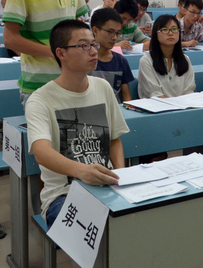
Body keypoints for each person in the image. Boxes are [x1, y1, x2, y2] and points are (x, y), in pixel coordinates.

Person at [25, 19, 129, 228]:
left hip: (107, 183)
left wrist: (121, 176)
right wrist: (81, 171)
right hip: (63, 194)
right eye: (83, 46)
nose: (93, 51)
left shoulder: (102, 87)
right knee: (101, 227)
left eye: (93, 44)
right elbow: (41, 151)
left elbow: (114, 140)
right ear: (61, 53)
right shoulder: (40, 100)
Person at [138, 14, 196, 99]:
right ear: (155, 34)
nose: (170, 33)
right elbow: (155, 95)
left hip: (183, 105)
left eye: (174, 29)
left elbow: (189, 92)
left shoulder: (185, 59)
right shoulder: (146, 61)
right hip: (157, 105)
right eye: (165, 30)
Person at [89, 8, 134, 103]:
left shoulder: (121, 61)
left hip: (115, 109)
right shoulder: (83, 60)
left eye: (117, 33)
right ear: (95, 31)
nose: (114, 38)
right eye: (110, 32)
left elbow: (126, 97)